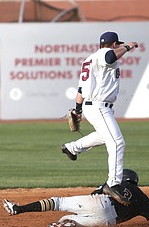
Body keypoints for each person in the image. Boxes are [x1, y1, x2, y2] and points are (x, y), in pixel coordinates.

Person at [61, 31, 138, 206]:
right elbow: (110, 57)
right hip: (99, 106)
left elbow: (81, 89)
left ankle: (72, 148)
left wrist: (78, 109)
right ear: (113, 44)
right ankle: (113, 184)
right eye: (118, 45)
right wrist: (128, 46)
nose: (119, 48)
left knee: (105, 136)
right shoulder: (105, 54)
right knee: (117, 142)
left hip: (93, 106)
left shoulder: (89, 59)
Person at [3, 169, 149, 227]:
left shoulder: (116, 182)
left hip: (100, 202)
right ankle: (70, 222)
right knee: (68, 220)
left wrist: (83, 206)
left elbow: (94, 193)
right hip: (108, 221)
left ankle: (19, 209)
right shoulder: (145, 199)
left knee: (58, 202)